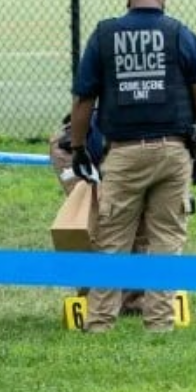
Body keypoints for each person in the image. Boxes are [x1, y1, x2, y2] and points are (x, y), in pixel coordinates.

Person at [68, 0, 196, 333]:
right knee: (167, 238)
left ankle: (100, 324)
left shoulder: (104, 36)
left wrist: (77, 146)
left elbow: (84, 98)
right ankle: (160, 325)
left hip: (123, 154)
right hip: (173, 152)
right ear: (163, 1)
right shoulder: (181, 34)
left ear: (128, 0)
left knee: (111, 240)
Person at [48, 110, 146, 315]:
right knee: (91, 222)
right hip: (76, 148)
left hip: (121, 147)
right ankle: (94, 299)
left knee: (137, 219)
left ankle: (133, 300)